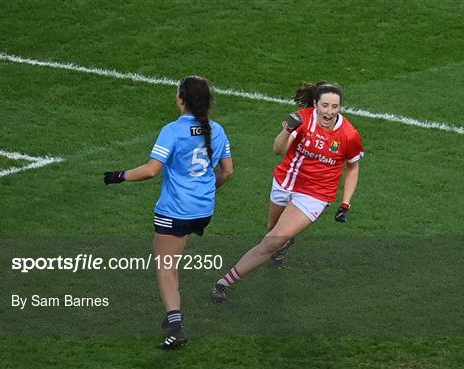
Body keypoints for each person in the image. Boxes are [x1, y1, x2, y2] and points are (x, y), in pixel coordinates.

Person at [104, 76, 233, 349]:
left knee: (164, 267)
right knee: (172, 259)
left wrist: (119, 175)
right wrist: (207, 191)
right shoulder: (218, 130)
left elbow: (151, 170)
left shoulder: (173, 131)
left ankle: (176, 327)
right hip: (203, 210)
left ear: (181, 99)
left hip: (176, 211)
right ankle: (173, 316)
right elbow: (227, 171)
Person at [211, 81, 363, 301]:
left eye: (335, 107)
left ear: (341, 107)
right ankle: (285, 244)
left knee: (271, 241)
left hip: (315, 194)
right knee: (272, 230)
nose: (329, 112)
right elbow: (277, 150)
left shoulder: (348, 135)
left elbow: (353, 167)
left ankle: (223, 283)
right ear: (315, 104)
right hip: (285, 182)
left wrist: (345, 204)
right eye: (325, 106)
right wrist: (287, 130)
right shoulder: (302, 119)